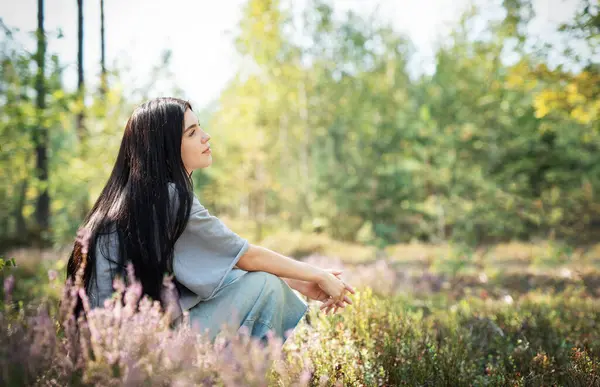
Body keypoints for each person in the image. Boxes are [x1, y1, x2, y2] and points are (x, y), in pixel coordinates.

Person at [66, 97, 354, 343]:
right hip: (142, 351)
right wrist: (318, 274)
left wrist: (298, 283)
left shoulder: (136, 199)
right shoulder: (168, 197)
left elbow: (220, 265)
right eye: (191, 132)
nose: (206, 136)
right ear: (164, 147)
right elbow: (245, 256)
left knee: (262, 281)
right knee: (265, 286)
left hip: (113, 351)